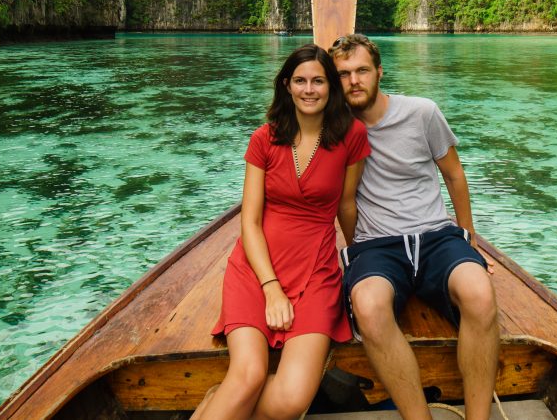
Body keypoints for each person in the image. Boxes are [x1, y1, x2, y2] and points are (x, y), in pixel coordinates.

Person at [194, 44, 370, 420]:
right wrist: (270, 287)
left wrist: (363, 261)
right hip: (256, 269)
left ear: (331, 87)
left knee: (292, 399)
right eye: (300, 81)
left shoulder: (351, 136)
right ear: (287, 85)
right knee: (249, 376)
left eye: (319, 81)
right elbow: (250, 221)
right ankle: (231, 398)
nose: (309, 90)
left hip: (316, 272)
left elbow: (347, 205)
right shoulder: (265, 138)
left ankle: (221, 404)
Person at [329, 33, 499, 420]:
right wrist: (356, 249)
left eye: (362, 71)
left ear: (379, 73)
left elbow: (454, 175)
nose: (354, 81)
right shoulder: (335, 130)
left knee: (480, 294)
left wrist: (469, 236)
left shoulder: (422, 112)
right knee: (369, 307)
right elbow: (342, 199)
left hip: (437, 236)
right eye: (343, 74)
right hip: (377, 244)